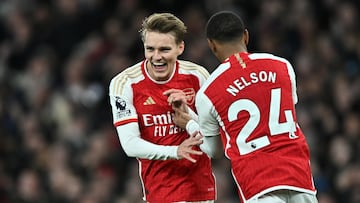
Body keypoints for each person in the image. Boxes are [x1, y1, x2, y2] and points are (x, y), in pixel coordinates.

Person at [169, 11, 318, 203]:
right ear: (246, 36)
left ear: (211, 45)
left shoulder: (209, 92)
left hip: (259, 186)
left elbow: (213, 149)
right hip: (300, 179)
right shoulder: (282, 66)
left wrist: (190, 123)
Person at [108, 13, 216, 203]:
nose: (156, 57)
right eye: (150, 49)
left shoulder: (198, 76)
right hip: (160, 193)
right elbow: (130, 144)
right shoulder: (125, 83)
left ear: (180, 47)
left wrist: (188, 114)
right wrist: (175, 151)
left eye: (164, 49)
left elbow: (215, 137)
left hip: (200, 192)